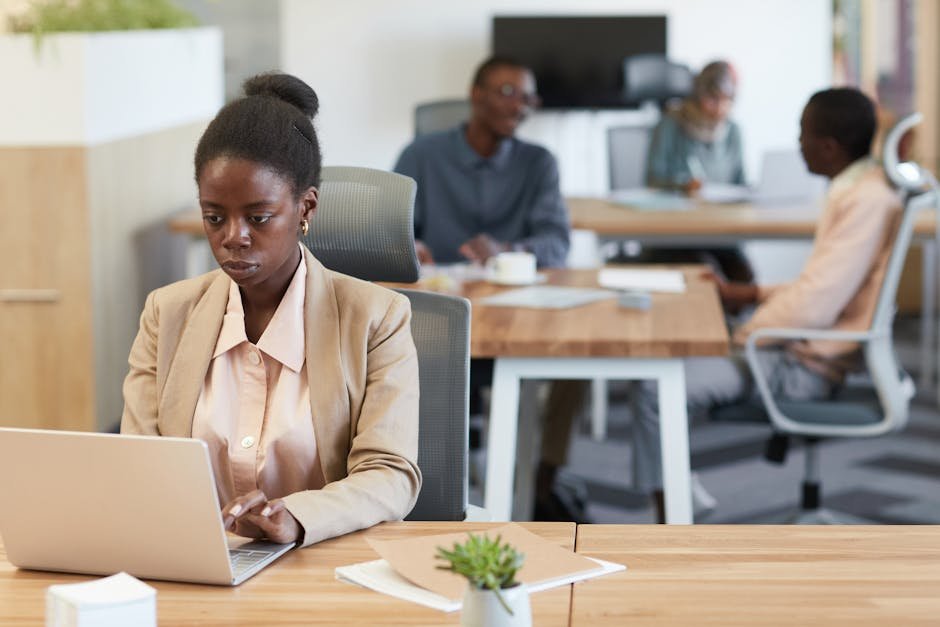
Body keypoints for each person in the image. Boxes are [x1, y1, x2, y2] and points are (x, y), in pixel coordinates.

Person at [121, 73, 421, 547]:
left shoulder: (377, 318)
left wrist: (297, 517)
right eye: (214, 216)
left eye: (258, 218)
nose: (233, 236)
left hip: (323, 567)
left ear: (305, 208)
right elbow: (139, 463)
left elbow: (391, 473)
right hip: (193, 564)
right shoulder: (167, 313)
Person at [632, 87, 901, 522]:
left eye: (802, 134)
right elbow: (824, 286)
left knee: (653, 389)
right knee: (671, 363)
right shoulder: (865, 187)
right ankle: (677, 494)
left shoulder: (864, 200)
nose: (797, 144)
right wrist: (748, 294)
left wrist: (741, 334)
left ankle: (672, 518)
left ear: (829, 147)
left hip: (801, 367)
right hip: (802, 352)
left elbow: (813, 306)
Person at [394, 56, 587, 521]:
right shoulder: (422, 154)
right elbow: (390, 227)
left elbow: (557, 244)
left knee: (577, 362)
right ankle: (415, 484)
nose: (520, 105)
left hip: (516, 311)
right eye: (508, 92)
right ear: (475, 95)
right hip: (439, 308)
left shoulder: (539, 163)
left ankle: (542, 480)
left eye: (527, 96)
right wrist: (410, 245)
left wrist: (508, 248)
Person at [643, 60, 753, 283]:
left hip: (720, 231)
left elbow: (740, 183)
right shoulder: (670, 124)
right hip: (677, 233)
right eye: (712, 99)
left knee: (744, 275)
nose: (720, 108)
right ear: (698, 95)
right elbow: (653, 178)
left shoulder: (733, 132)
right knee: (709, 274)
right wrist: (683, 185)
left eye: (727, 101)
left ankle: (735, 319)